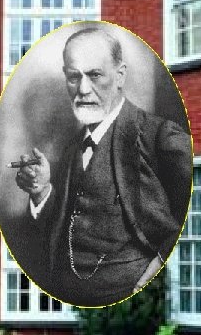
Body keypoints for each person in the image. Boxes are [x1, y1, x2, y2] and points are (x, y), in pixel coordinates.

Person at [13, 26, 191, 307]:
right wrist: (42, 191)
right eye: (74, 77)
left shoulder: (160, 138)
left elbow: (191, 215)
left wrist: (154, 270)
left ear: (120, 76)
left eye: (95, 75)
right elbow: (60, 232)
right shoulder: (71, 149)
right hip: (70, 306)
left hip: (127, 308)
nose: (83, 90)